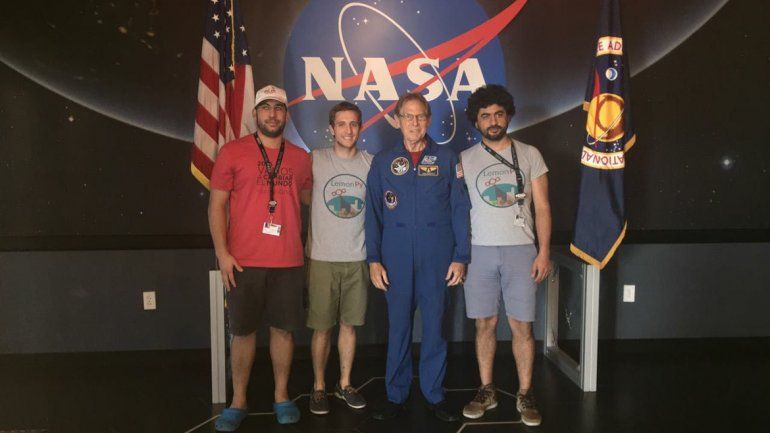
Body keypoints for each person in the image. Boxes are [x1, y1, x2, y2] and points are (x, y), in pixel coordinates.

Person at [208, 85, 312, 430]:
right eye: (265, 108)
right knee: (243, 331)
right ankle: (238, 401)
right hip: (243, 261)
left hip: (289, 261)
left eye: (279, 109)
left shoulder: (300, 157)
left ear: (287, 114)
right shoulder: (232, 152)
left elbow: (314, 198)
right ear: (255, 114)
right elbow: (217, 205)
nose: (272, 114)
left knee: (284, 331)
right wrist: (222, 253)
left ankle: (281, 396)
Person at [365, 92, 471, 422]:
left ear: (428, 119)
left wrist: (461, 256)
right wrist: (373, 258)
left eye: (420, 116)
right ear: (397, 121)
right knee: (398, 327)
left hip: (437, 256)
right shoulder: (383, 161)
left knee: (435, 327)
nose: (414, 123)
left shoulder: (447, 158)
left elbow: (460, 209)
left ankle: (433, 394)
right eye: (408, 116)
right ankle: (396, 394)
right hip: (395, 257)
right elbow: (372, 213)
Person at [459, 84, 551, 427]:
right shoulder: (465, 160)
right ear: (476, 121)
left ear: (508, 115)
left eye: (499, 114)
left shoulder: (530, 154)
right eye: (485, 116)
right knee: (485, 324)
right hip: (479, 251)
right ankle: (487, 390)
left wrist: (543, 252)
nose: (493, 121)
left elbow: (542, 208)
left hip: (521, 251)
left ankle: (525, 393)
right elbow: (457, 210)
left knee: (522, 327)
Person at [305, 101, 372, 415]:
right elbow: (300, 194)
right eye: (342, 124)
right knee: (322, 327)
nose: (348, 130)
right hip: (322, 258)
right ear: (331, 129)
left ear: (360, 127)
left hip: (357, 257)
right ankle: (319, 386)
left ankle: (344, 383)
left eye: (354, 124)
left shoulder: (371, 163)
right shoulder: (315, 160)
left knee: (349, 325)